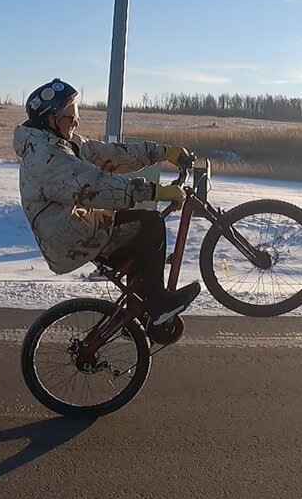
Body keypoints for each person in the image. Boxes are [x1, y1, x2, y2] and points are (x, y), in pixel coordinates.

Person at [13, 78, 201, 326]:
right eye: (70, 117)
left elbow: (110, 155)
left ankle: (143, 305)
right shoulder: (47, 158)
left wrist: (163, 152)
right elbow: (97, 186)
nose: (76, 121)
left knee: (139, 230)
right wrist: (155, 192)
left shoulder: (58, 143)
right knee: (149, 224)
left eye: (76, 114)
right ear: (51, 119)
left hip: (75, 224)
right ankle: (157, 305)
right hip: (68, 237)